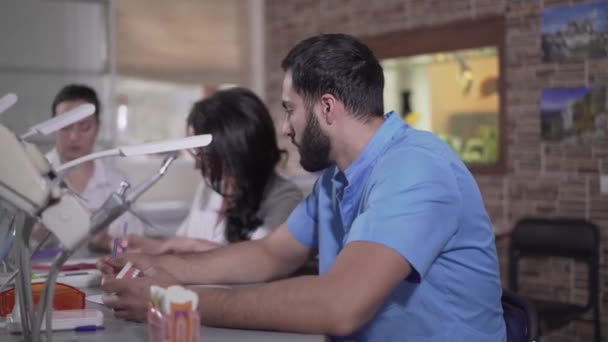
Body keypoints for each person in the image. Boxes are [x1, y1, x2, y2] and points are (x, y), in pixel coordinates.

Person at [100, 34, 506, 342]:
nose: (284, 127)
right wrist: (168, 269)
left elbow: (338, 304)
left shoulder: (416, 168)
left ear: (327, 108)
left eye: (290, 109)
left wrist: (176, 298)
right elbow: (269, 254)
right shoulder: (334, 181)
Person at [124, 88, 303, 254]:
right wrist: (151, 248)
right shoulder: (210, 188)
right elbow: (180, 244)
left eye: (207, 158)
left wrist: (190, 246)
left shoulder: (285, 198)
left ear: (237, 152)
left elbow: (259, 261)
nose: (197, 167)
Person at [44, 84, 144, 252]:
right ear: (52, 126)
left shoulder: (117, 182)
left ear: (98, 127)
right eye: (65, 126)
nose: (74, 136)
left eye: (84, 127)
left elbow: (136, 245)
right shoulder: (33, 176)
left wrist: (105, 241)